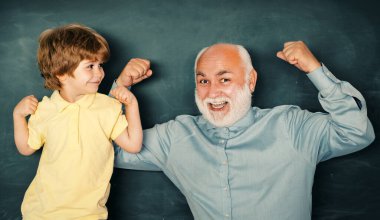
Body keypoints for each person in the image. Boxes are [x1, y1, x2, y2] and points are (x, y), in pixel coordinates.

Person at [112, 41, 375, 219]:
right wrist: (120, 90)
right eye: (204, 81)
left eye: (224, 79)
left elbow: (356, 132)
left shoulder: (292, 127)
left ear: (250, 81)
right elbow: (100, 151)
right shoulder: (174, 137)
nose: (213, 92)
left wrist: (315, 71)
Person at [13, 23, 143, 219]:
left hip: (89, 214)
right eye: (90, 66)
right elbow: (26, 148)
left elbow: (133, 145)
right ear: (61, 73)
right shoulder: (45, 109)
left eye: (100, 65)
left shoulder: (107, 107)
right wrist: (18, 116)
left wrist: (132, 106)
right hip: (41, 212)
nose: (99, 73)